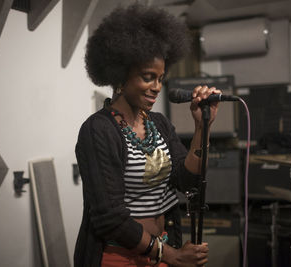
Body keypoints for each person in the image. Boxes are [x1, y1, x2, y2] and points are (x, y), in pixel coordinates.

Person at [74, 4, 221, 267]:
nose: (156, 87)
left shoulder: (159, 124)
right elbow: (110, 217)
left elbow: (186, 180)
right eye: (147, 77)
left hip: (162, 250)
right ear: (120, 75)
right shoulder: (98, 130)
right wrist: (172, 255)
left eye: (160, 78)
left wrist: (202, 128)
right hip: (118, 257)